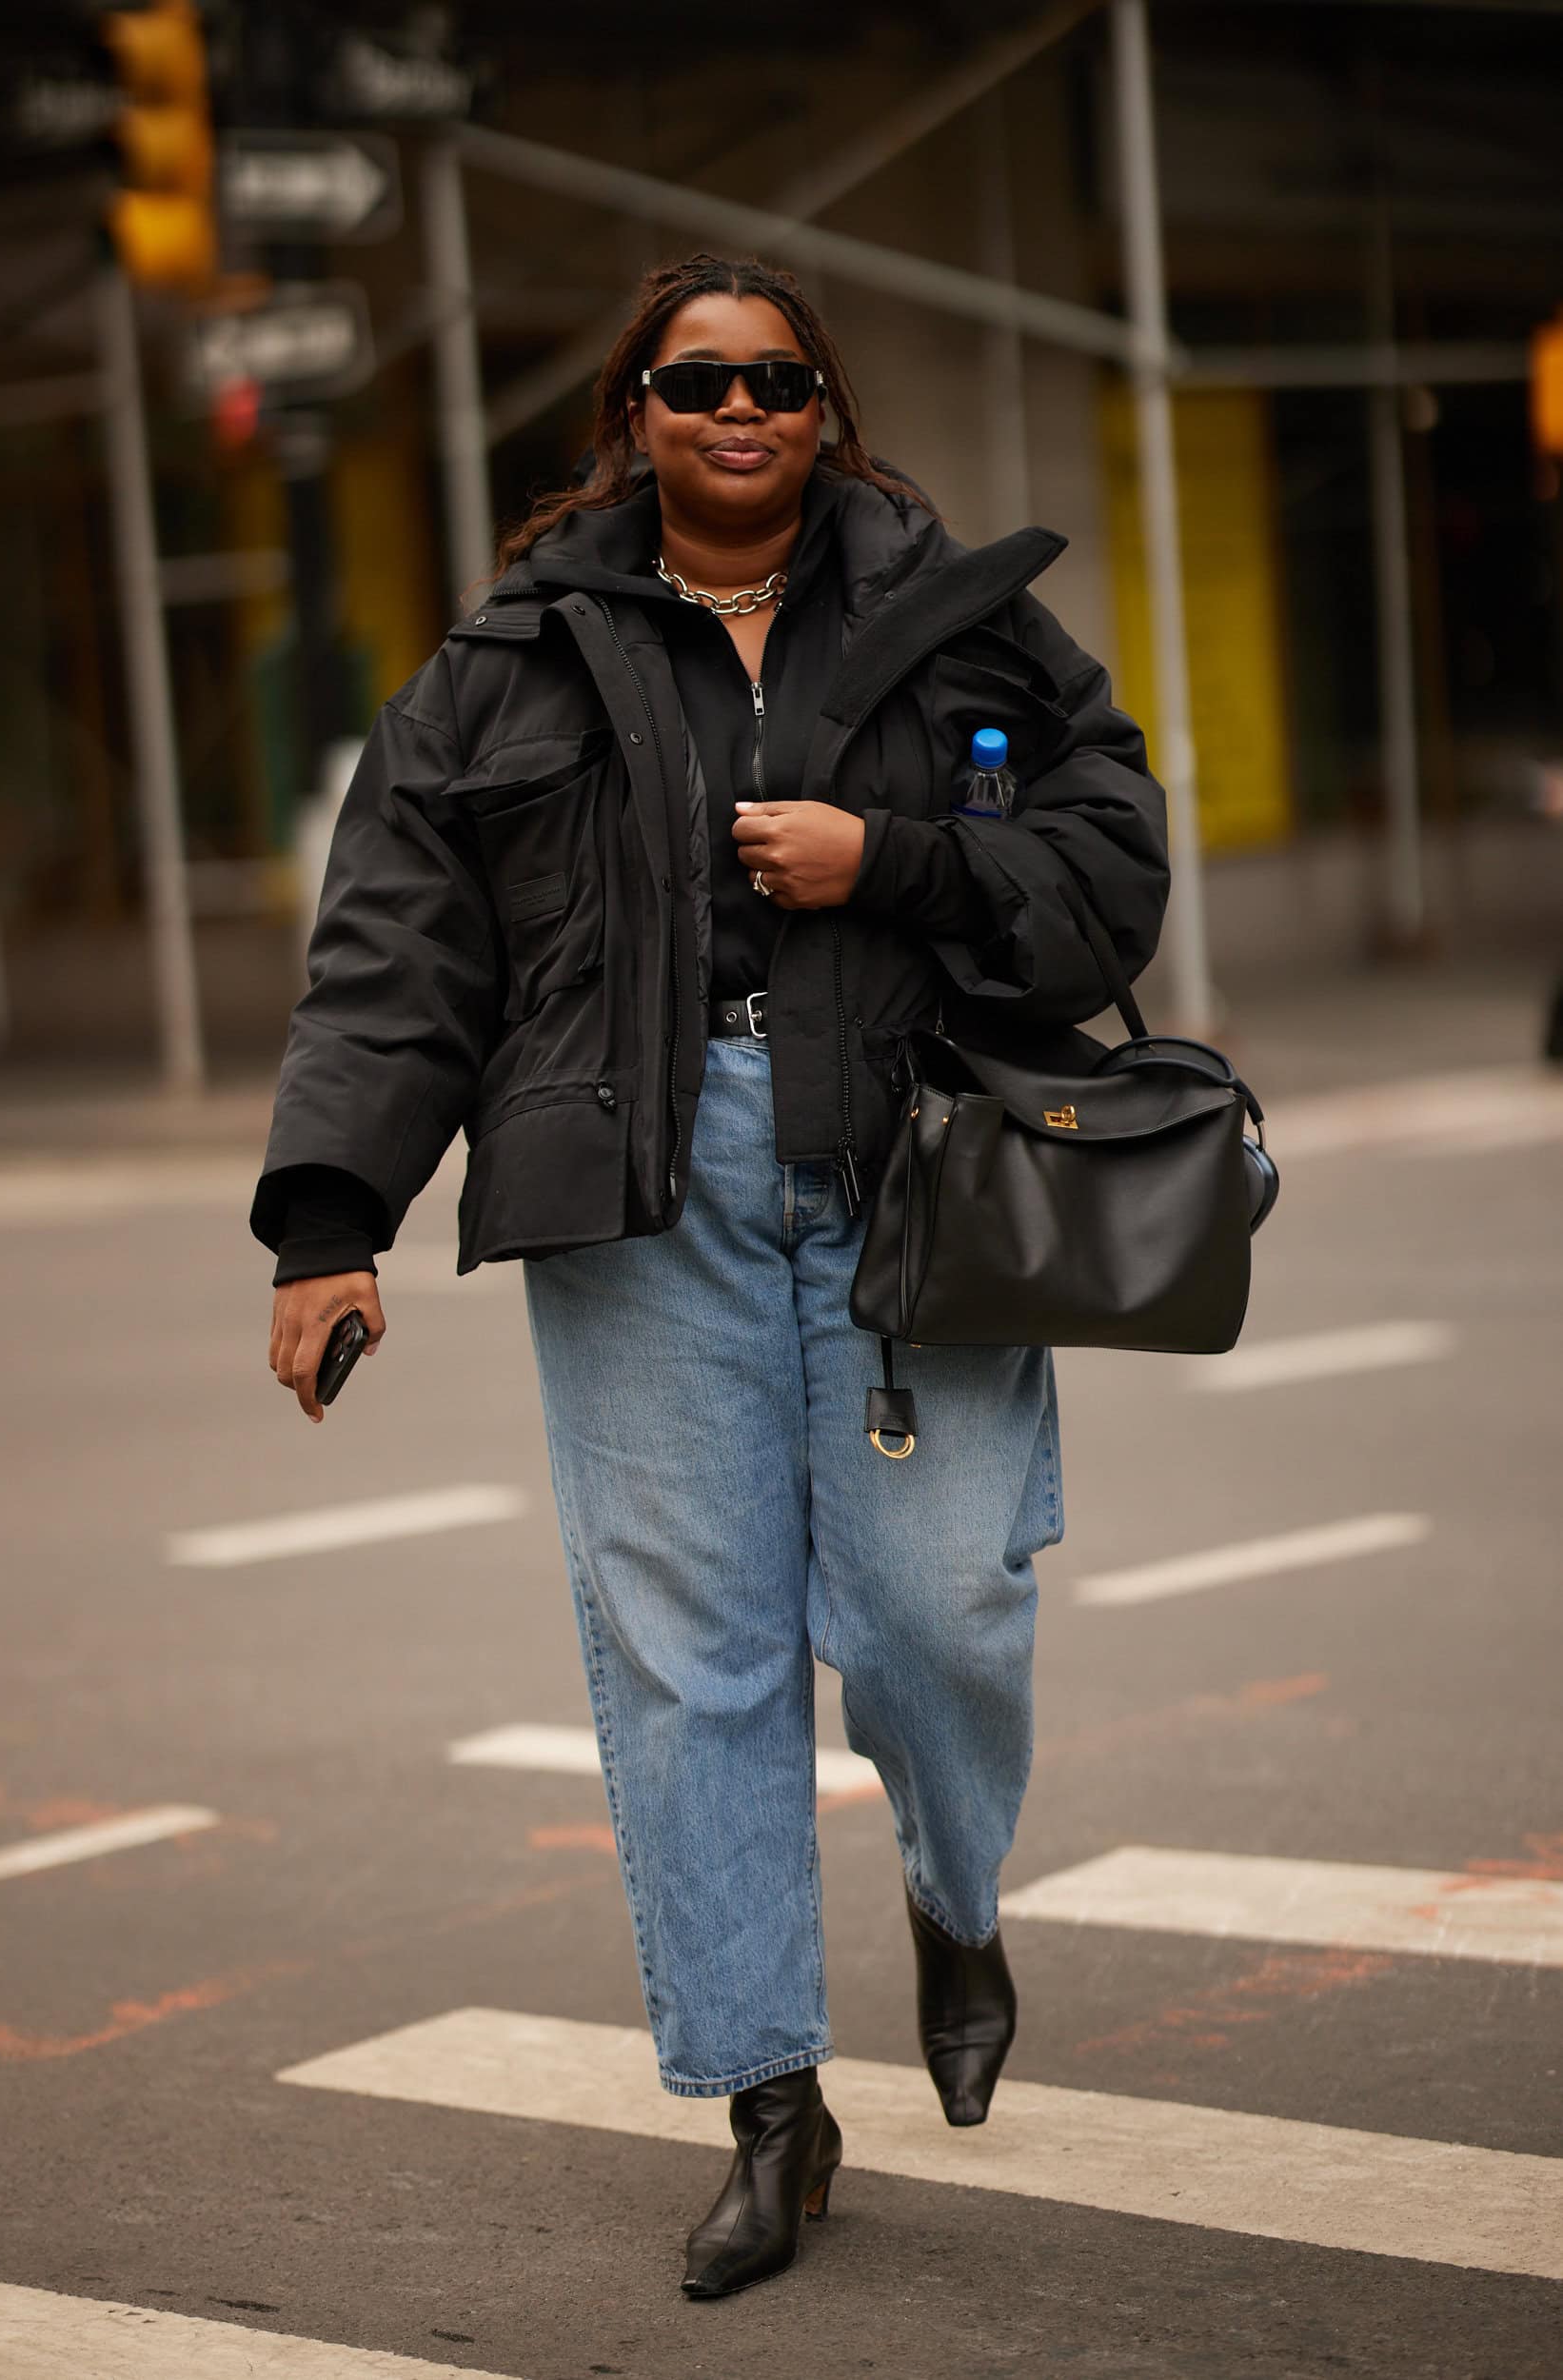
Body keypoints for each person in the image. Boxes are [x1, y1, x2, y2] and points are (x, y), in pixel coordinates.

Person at [253, 253, 1168, 2301]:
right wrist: (332, 1221)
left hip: (912, 1171)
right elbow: (401, 951)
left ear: (824, 406)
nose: (736, 406)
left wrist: (895, 861)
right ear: (633, 412)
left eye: (774, 377)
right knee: (697, 1662)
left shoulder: (965, 626)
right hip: (640, 1195)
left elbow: (1115, 870)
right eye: (694, 379)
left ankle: (952, 1892)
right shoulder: (514, 659)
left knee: (940, 1608)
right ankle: (772, 2100)